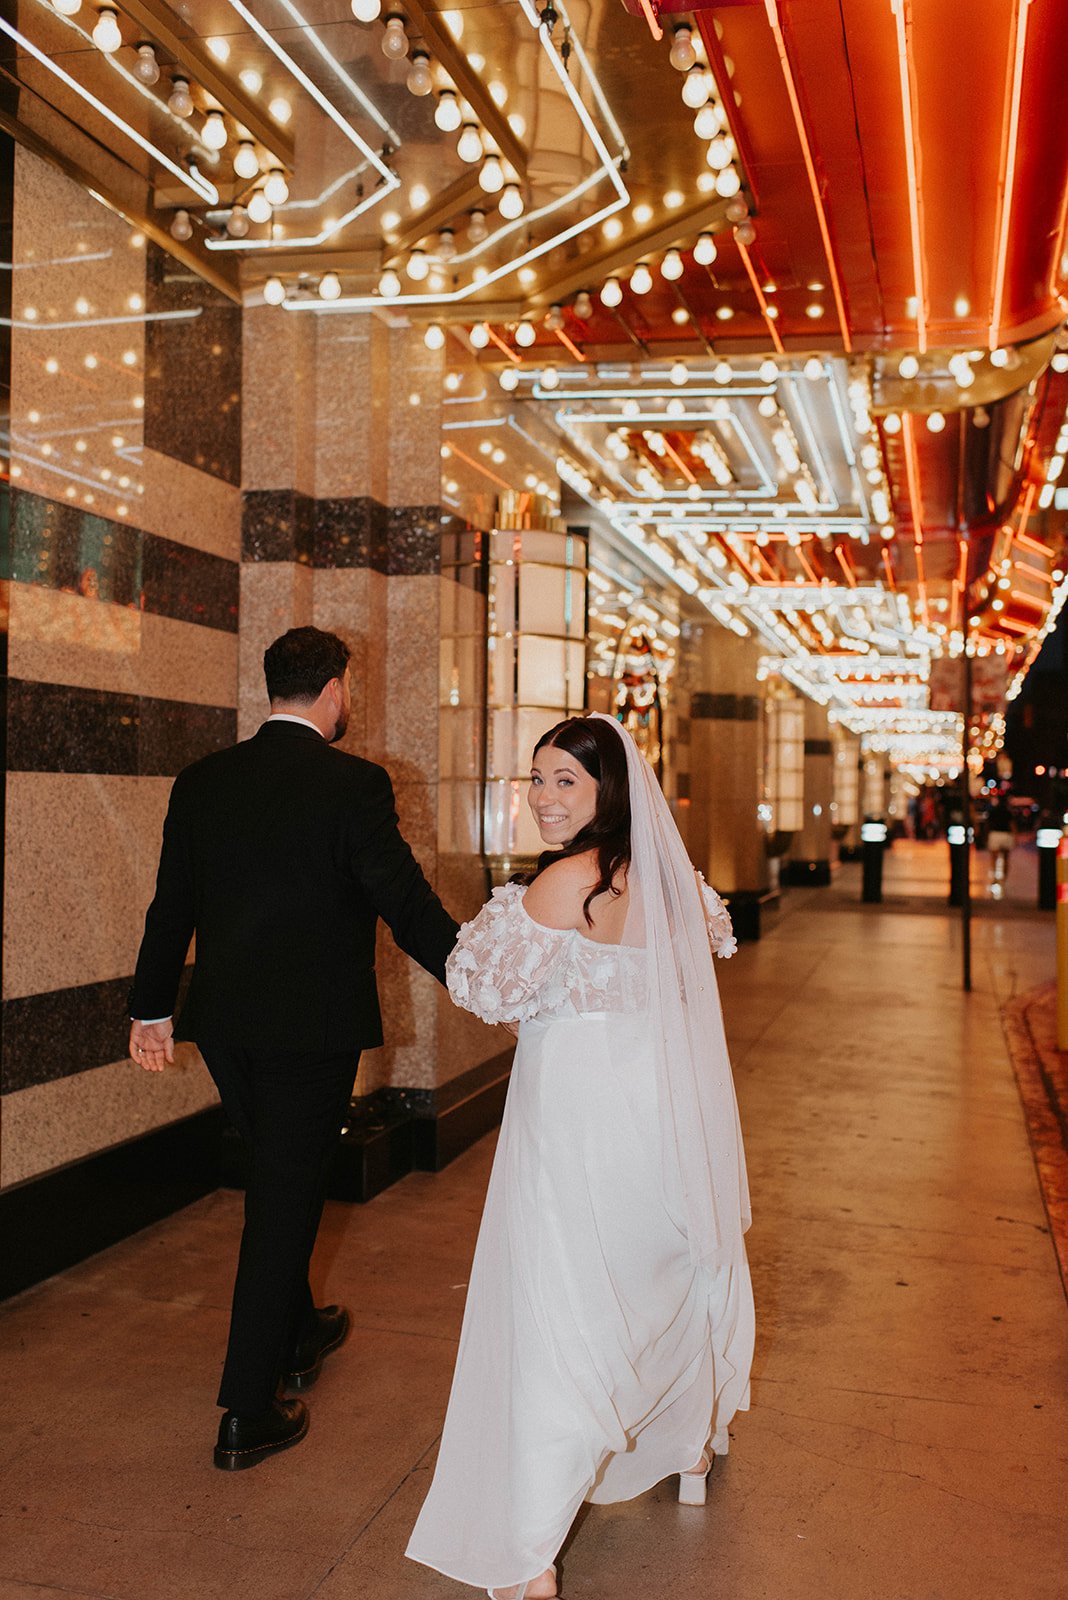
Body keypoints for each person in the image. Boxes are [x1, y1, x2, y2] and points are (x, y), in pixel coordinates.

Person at [407, 713, 753, 1600]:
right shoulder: (666, 881)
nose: (546, 797)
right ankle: (687, 1448)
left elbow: (480, 983)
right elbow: (699, 958)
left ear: (608, 791)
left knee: (558, 1303)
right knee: (655, 1275)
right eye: (538, 778)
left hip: (574, 1118)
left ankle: (529, 1553)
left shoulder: (570, 882)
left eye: (567, 780)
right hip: (657, 1111)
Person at [128, 627, 458, 1471]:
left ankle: (302, 1328)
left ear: (272, 687)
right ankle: (246, 1408)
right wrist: (478, 971)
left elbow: (174, 904)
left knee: (282, 1172)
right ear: (338, 689)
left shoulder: (203, 782)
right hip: (312, 1032)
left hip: (228, 1027)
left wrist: (151, 1009)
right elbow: (402, 899)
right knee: (282, 1195)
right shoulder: (355, 786)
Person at [985, 793, 1015, 895]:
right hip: (1006, 835)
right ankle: (1004, 879)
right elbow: (1012, 825)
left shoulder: (993, 811)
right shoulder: (1008, 812)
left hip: (995, 834)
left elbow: (988, 824)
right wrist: (1015, 837)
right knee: (1006, 859)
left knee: (994, 858)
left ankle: (994, 877)